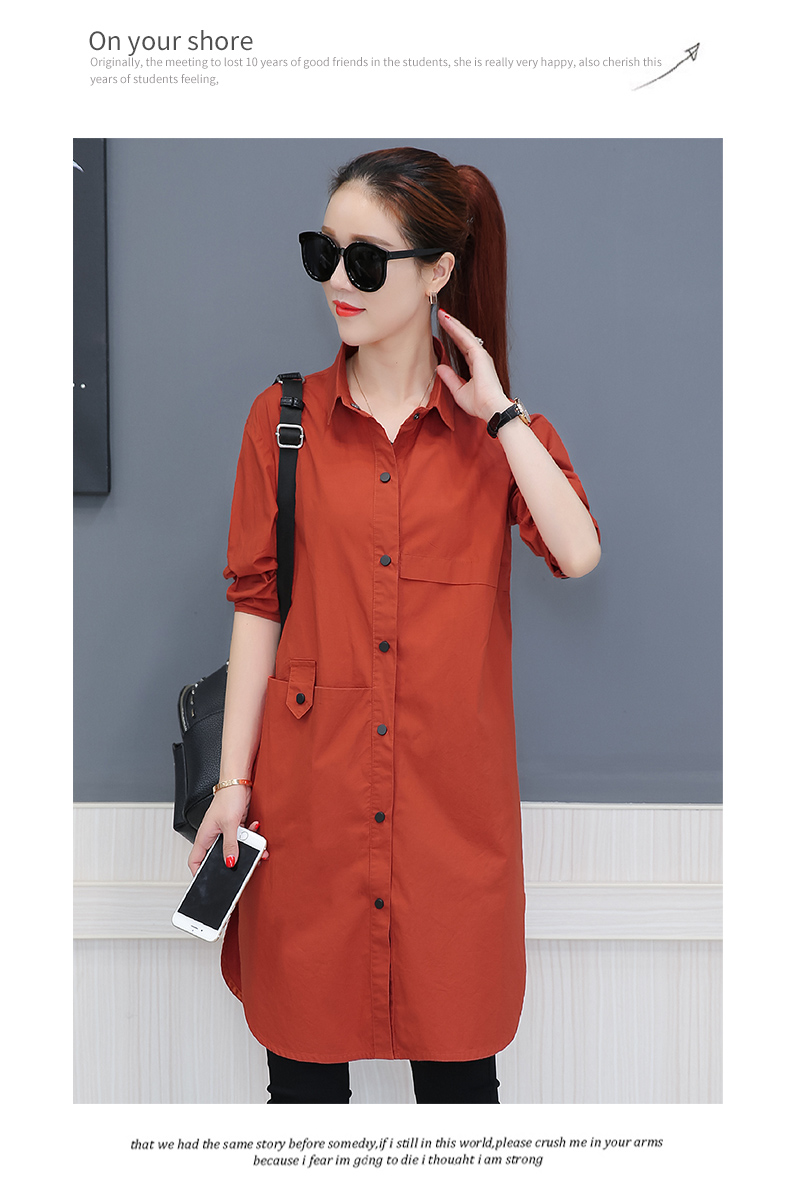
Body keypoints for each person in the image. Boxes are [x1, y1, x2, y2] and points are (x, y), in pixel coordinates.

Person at [187, 146, 601, 1104]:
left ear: (438, 272)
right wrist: (232, 784)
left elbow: (578, 552)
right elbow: (256, 607)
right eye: (322, 253)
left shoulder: (497, 440)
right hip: (310, 817)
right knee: (304, 1105)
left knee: (460, 1107)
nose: (337, 280)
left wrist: (499, 412)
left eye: (365, 260)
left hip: (450, 833)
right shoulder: (280, 421)